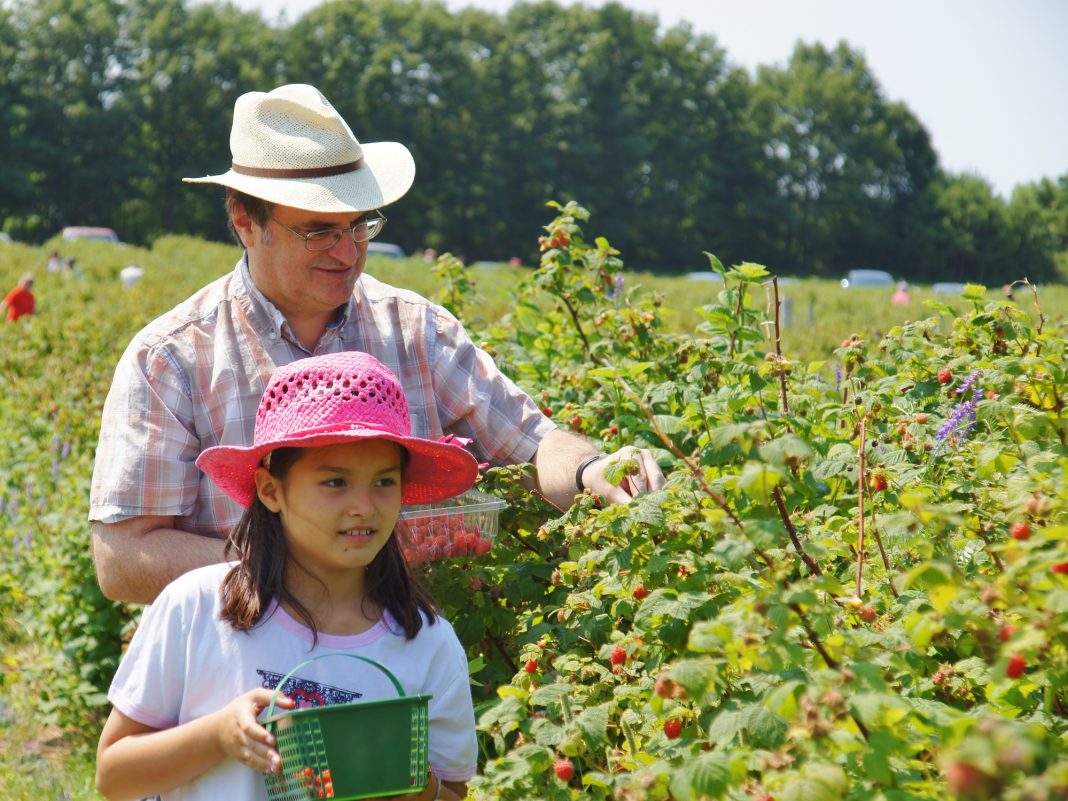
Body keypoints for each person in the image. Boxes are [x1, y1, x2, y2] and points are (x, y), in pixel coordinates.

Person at [89, 83, 665, 605]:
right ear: (245, 220)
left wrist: (592, 467)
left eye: (360, 226)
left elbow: (533, 444)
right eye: (318, 231)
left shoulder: (416, 330)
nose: (347, 252)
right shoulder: (172, 358)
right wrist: (297, 571)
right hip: (241, 675)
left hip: (405, 656)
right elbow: (123, 559)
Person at [96, 351, 480, 801]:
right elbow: (114, 777)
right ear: (271, 490)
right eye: (335, 482)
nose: (365, 505)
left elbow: (452, 792)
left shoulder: (428, 644)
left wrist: (405, 781)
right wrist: (219, 735)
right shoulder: (197, 607)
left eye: (384, 482)